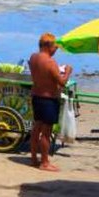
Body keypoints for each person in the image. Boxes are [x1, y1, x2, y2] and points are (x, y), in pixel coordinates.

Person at [28, 33, 72, 172]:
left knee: (36, 128)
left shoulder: (33, 58)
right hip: (48, 99)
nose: (55, 50)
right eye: (55, 47)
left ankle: (34, 158)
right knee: (46, 132)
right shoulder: (49, 62)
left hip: (36, 96)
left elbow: (42, 75)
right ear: (47, 46)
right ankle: (45, 162)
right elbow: (62, 82)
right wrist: (67, 72)